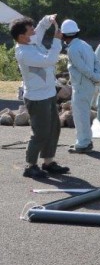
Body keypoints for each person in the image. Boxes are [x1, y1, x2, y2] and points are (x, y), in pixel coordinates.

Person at [12, 15, 69, 178]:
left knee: (53, 129)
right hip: (37, 98)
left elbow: (41, 29)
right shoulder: (24, 52)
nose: (35, 32)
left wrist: (46, 20)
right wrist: (57, 41)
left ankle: (48, 162)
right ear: (22, 36)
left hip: (48, 94)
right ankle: (30, 166)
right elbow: (50, 60)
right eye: (31, 31)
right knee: (40, 132)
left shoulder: (30, 41)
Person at [62, 19, 100, 154]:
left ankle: (83, 143)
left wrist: (95, 77)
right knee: (83, 114)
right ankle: (86, 141)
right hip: (89, 84)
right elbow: (96, 61)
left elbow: (82, 68)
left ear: (64, 35)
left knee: (80, 116)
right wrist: (97, 76)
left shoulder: (72, 49)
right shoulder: (85, 44)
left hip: (81, 85)